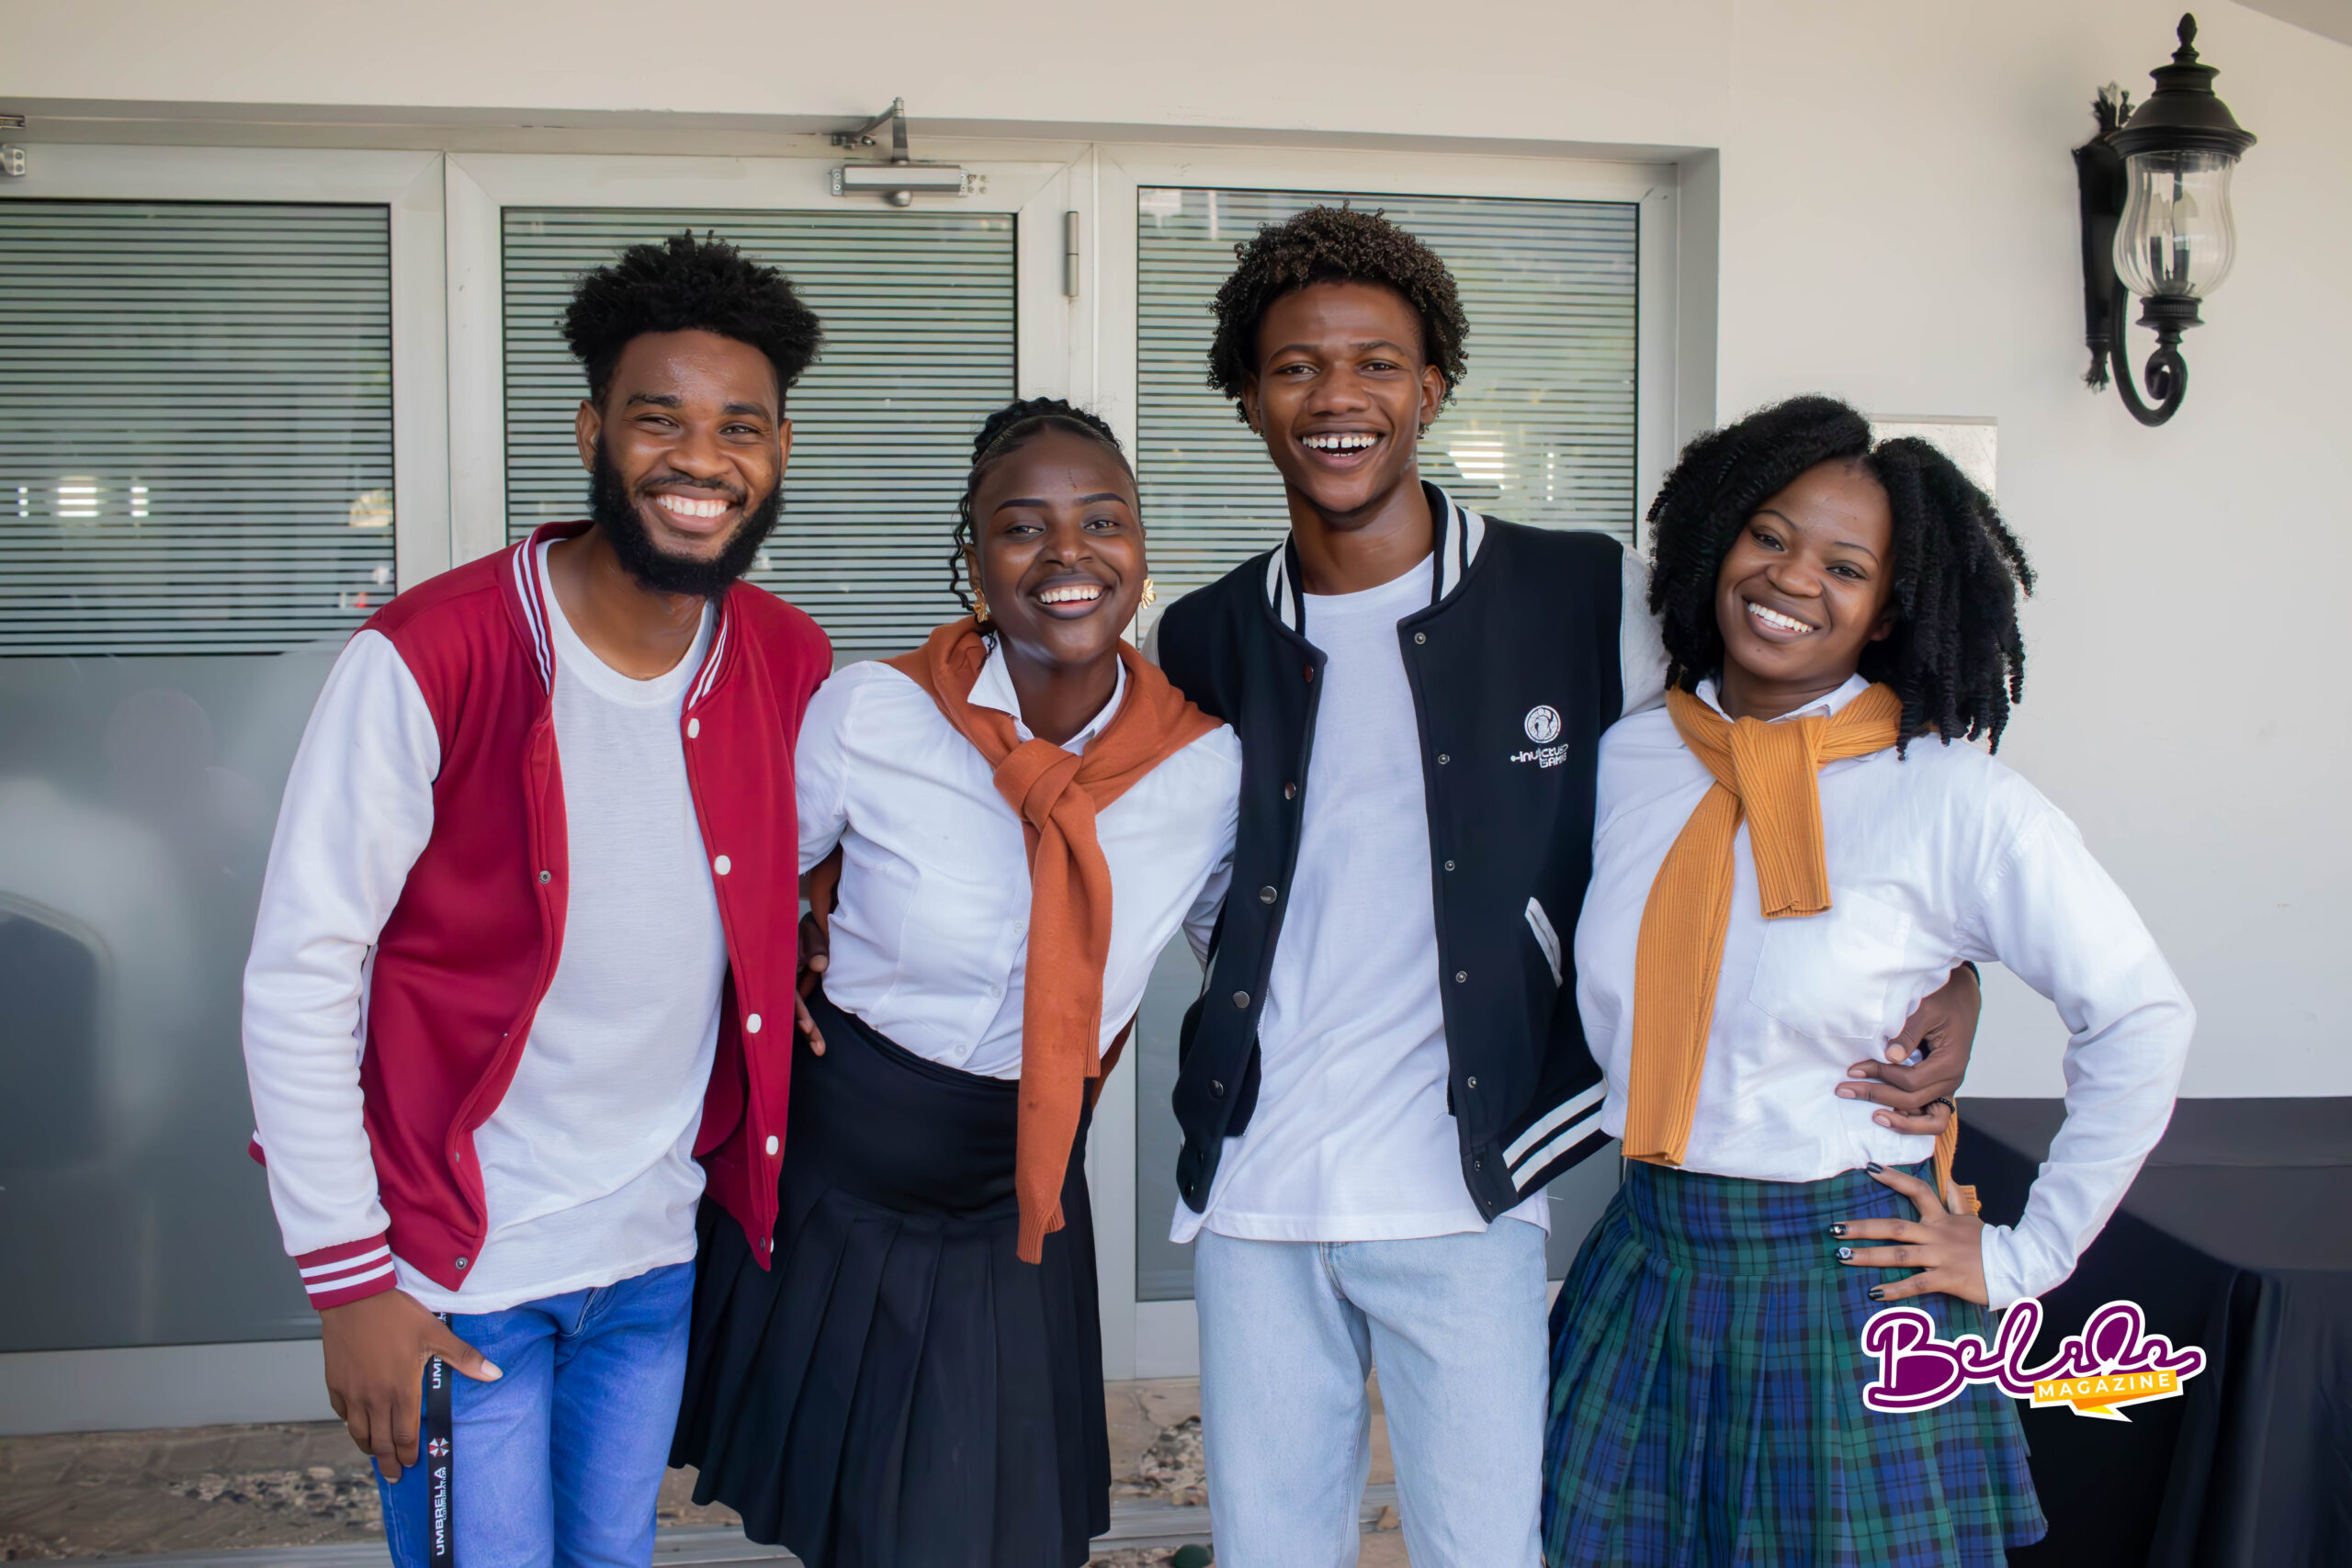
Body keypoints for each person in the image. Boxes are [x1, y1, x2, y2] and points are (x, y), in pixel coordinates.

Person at [1148, 208, 1984, 1568]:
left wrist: (1952, 957)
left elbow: (1802, 738)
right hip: (1256, 1183)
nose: (1338, 396)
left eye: (1377, 363)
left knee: (1489, 1547)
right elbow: (1191, 869)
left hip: (1470, 1184)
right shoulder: (1204, 634)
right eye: (1296, 366)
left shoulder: (1585, 591)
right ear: (1249, 395)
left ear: (1431, 388)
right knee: (1268, 1548)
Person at [240, 233, 831, 1568]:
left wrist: (801, 956)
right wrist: (349, 1278)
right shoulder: (433, 654)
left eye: (739, 426)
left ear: (779, 449)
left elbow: (797, 863)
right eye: (658, 418)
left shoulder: (785, 657)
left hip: (651, 1255)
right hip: (459, 1277)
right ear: (590, 430)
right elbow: (301, 971)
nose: (700, 458)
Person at [1542, 395, 2196, 1565]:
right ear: (1716, 543)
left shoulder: (1950, 797)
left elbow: (2141, 1017)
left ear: (1889, 608)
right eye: (1768, 536)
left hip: (1845, 1285)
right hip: (1643, 1263)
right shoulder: (1632, 756)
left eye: (1845, 567)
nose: (1792, 579)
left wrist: (2025, 1259)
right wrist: (1959, 975)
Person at [670, 399, 1241, 1568]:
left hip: (1012, 1192)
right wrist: (789, 954)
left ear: (1141, 553)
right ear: (972, 560)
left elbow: (1245, 956)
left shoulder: (1205, 768)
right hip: (841, 1175)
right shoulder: (877, 711)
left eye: (1103, 522)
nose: (1068, 553)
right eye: (1023, 527)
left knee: (984, 1522)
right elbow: (747, 889)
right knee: (853, 1518)